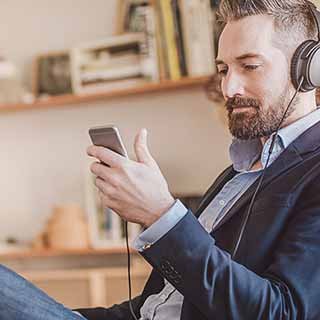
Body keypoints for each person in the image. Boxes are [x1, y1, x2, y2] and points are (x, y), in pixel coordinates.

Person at [1, 0, 320, 319]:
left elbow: (280, 312)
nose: (228, 87)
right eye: (223, 69)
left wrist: (161, 215)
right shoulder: (235, 175)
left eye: (249, 66)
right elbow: (158, 306)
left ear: (308, 69)